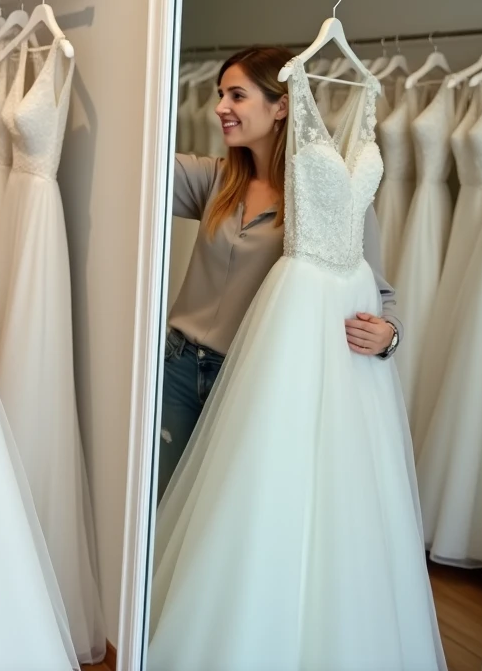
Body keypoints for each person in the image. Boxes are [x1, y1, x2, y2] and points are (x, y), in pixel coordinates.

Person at [157, 46, 403, 498]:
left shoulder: (325, 200)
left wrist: (389, 337)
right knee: (162, 500)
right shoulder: (214, 181)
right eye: (219, 95)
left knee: (221, 507)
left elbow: (380, 292)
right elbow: (141, 163)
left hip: (249, 377)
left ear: (281, 106)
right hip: (176, 366)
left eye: (236, 96)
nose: (220, 108)